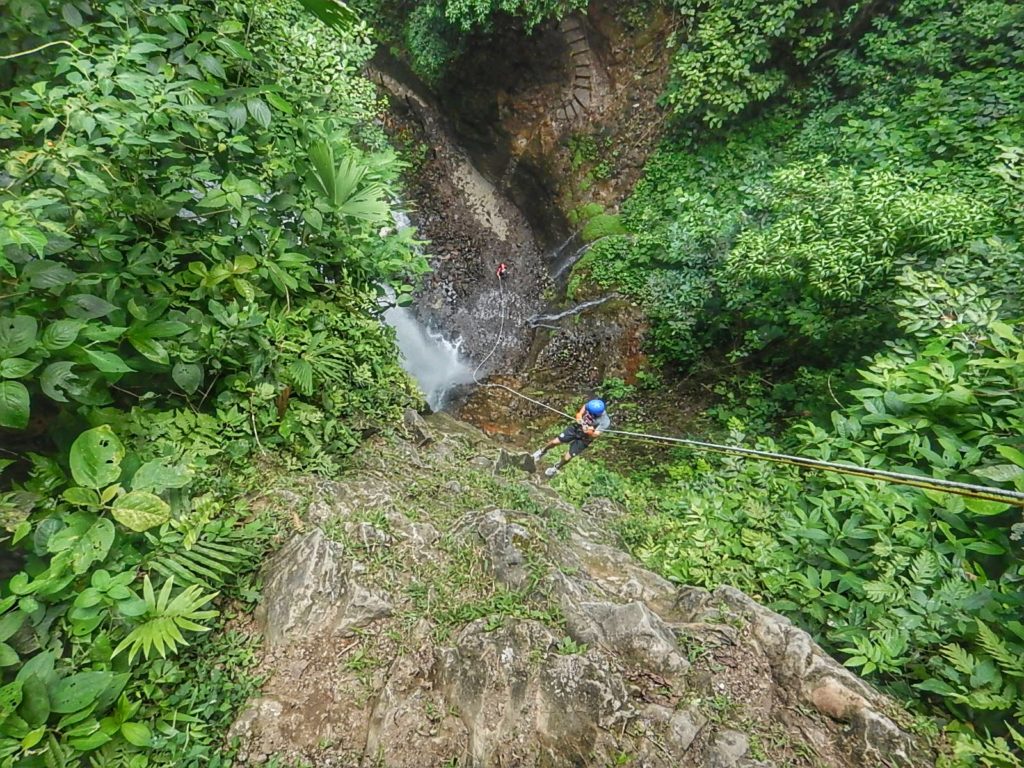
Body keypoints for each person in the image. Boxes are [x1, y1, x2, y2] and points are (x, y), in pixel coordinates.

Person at [532, 399, 610, 477]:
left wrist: (588, 431)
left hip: (584, 439)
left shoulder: (605, 421)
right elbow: (580, 413)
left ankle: (556, 467)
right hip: (576, 429)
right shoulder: (590, 405)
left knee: (567, 457)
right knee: (555, 442)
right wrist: (579, 419)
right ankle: (542, 452)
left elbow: (595, 435)